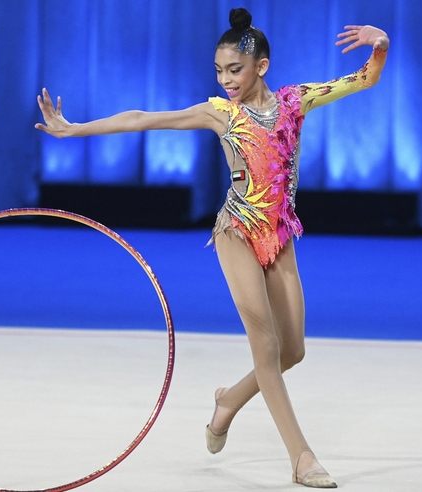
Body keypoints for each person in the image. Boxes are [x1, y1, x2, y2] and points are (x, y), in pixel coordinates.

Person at [36, 8, 389, 488]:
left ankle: (227, 402)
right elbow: (144, 118)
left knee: (293, 352)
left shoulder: (294, 101)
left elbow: (365, 78)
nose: (226, 80)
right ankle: (302, 458)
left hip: (280, 235)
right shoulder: (221, 113)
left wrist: (381, 43)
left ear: (261, 65)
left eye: (235, 70)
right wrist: (75, 129)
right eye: (220, 71)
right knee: (265, 347)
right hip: (237, 231)